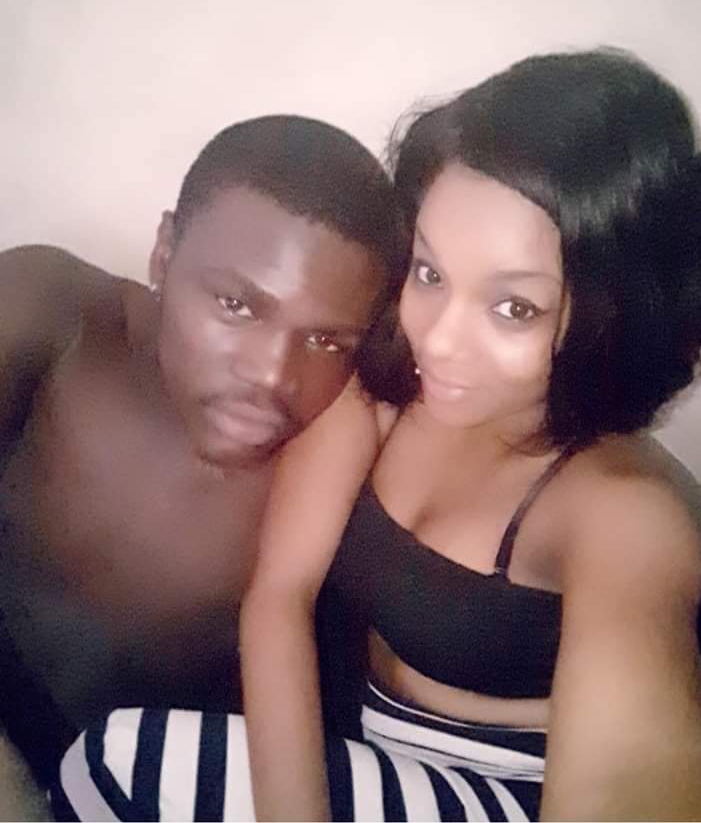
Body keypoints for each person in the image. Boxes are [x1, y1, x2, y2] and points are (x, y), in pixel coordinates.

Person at [55, 49, 701, 821]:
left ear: (609, 315)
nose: (438, 339)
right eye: (431, 274)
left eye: (514, 308)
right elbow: (279, 596)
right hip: (385, 762)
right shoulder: (385, 390)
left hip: (510, 793)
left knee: (117, 763)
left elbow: (636, 776)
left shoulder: (622, 510)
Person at [0, 113, 407, 798]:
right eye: (236, 305)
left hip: (148, 785)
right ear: (164, 253)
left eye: (326, 341)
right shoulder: (56, 314)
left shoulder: (341, 456)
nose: (273, 375)